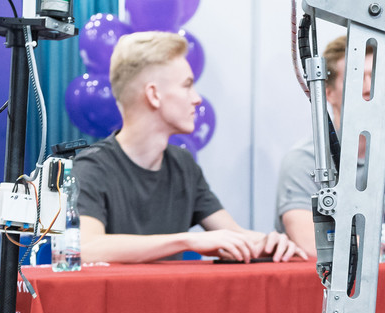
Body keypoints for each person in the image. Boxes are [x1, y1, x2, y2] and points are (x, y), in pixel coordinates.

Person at [75, 32, 302, 264]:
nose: (196, 99)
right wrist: (187, 241)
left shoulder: (183, 165)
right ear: (154, 95)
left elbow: (233, 234)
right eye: (187, 86)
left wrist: (271, 242)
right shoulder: (92, 167)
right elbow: (86, 247)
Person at [276, 35, 385, 260]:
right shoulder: (303, 160)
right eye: (356, 78)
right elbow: (312, 246)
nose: (368, 89)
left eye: (375, 77)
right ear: (328, 93)